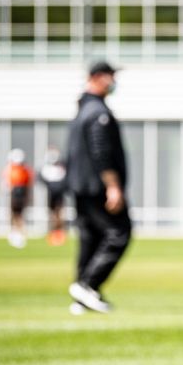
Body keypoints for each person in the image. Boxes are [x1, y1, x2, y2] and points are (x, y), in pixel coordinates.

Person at [65, 61, 132, 314]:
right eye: (111, 75)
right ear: (97, 77)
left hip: (83, 187)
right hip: (96, 188)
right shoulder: (97, 112)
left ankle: (82, 295)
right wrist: (113, 186)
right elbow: (101, 151)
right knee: (119, 233)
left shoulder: (83, 109)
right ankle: (88, 285)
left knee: (90, 238)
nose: (114, 80)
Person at [39, 147, 68, 246]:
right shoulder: (46, 169)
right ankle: (53, 233)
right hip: (51, 194)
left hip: (59, 194)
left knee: (59, 213)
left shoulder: (62, 168)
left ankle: (59, 233)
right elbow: (42, 178)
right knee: (52, 214)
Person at [4, 149, 32, 249]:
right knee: (15, 214)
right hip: (16, 193)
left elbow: (27, 183)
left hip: (19, 193)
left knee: (18, 215)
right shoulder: (13, 169)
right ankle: (15, 233)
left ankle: (19, 234)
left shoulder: (22, 170)